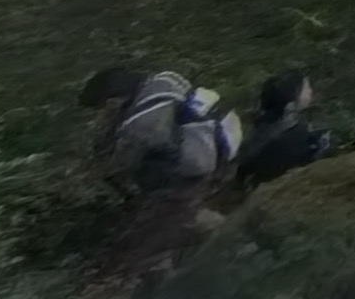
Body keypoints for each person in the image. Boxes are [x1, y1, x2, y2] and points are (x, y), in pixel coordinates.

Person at [79, 62, 245, 199]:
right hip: (224, 131)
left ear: (112, 103)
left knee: (146, 168)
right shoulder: (166, 79)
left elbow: (121, 165)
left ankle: (175, 202)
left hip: (202, 158)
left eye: (98, 110)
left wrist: (105, 168)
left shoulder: (139, 124)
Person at [233, 71, 334, 192]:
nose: (310, 91)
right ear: (290, 104)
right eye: (306, 88)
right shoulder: (297, 135)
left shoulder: (259, 127)